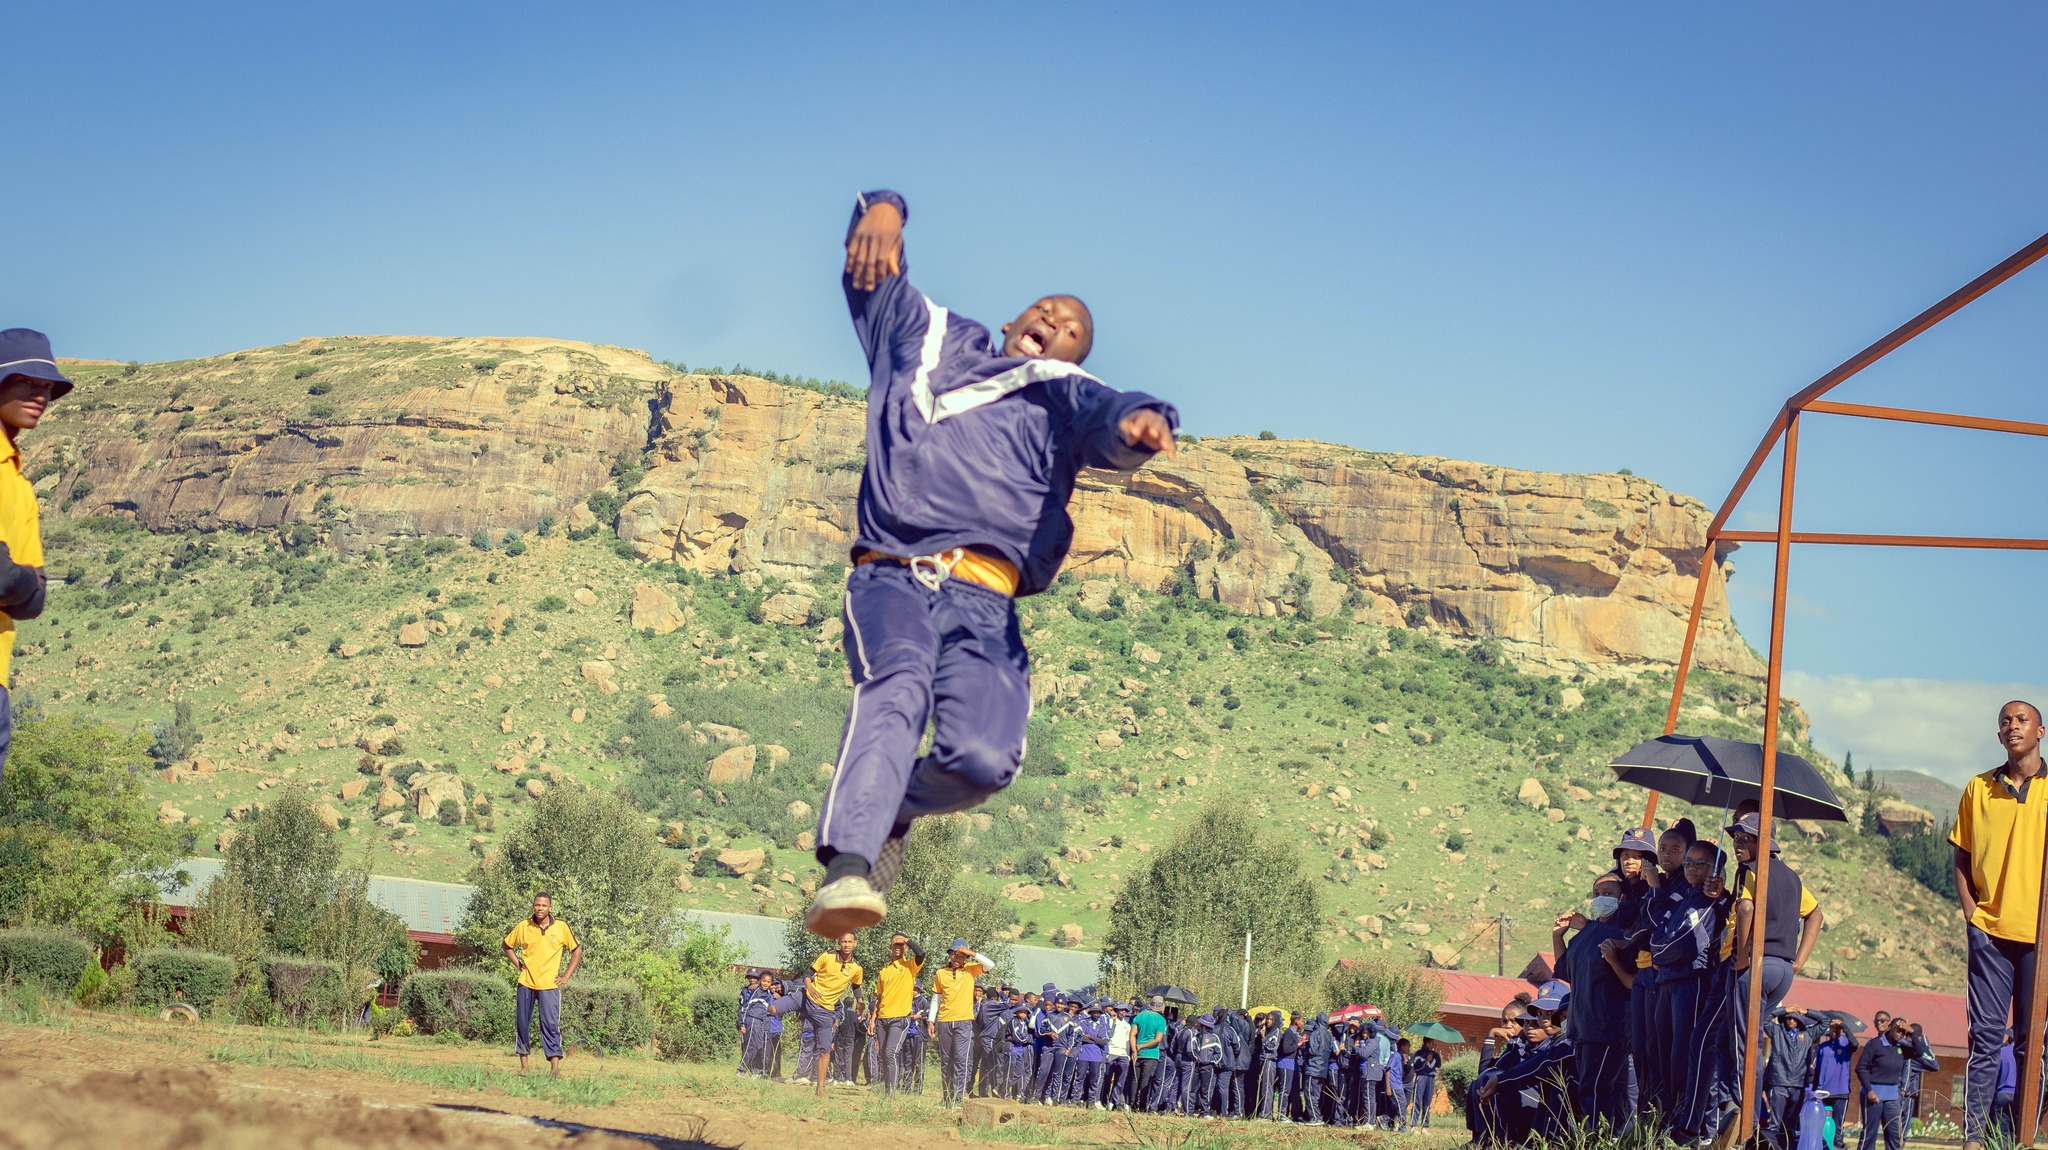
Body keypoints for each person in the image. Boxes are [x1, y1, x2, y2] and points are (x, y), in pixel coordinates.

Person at [806, 189, 1180, 937]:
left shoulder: (1070, 398)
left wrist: (1148, 423)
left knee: (981, 760)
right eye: (1045, 309)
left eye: (1073, 328)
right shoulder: (932, 337)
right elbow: (875, 274)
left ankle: (894, 811)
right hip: (896, 573)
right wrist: (882, 208)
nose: (1055, 323)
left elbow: (1114, 417)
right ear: (1013, 322)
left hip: (986, 603)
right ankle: (848, 865)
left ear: (1079, 354)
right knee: (898, 683)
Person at [1954, 701, 2048, 1150]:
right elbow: (1962, 856)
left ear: (2040, 732)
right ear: (1998, 737)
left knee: (2033, 1043)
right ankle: (1975, 1138)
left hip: (2041, 939)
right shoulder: (1978, 788)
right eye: (2005, 722)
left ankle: (2020, 1136)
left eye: (2021, 720)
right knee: (1985, 1039)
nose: (2012, 727)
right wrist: (1971, 912)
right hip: (1989, 932)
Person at [0, 330, 62, 790]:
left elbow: (34, 597)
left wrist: (13, 579)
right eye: (26, 381)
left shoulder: (18, 479)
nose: (39, 395)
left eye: (47, 387)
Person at [1654, 839, 1731, 1142]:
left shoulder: (1713, 900)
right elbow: (1658, 936)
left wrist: (1660, 952)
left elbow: (1685, 944)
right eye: (1687, 862)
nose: (1690, 868)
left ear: (1714, 869)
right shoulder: (1685, 898)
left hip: (1692, 981)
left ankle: (1699, 1129)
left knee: (1688, 1057)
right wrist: (1661, 951)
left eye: (1699, 863)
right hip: (1667, 983)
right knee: (1666, 1057)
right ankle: (1671, 1118)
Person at [1555, 872, 1633, 1134]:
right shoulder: (1586, 933)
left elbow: (1632, 982)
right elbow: (1565, 971)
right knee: (1587, 1087)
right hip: (1582, 1028)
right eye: (1597, 894)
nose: (1601, 899)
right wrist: (1558, 937)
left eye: (1609, 893)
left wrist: (1613, 959)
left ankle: (1599, 1140)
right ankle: (1597, 1139)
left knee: (1596, 1088)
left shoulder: (1625, 934)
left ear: (1622, 898)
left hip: (1609, 1028)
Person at [502, 893, 580, 1077]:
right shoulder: (523, 926)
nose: (540, 908)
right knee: (522, 1024)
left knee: (551, 1025)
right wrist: (518, 965)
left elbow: (577, 951)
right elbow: (506, 946)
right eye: (537, 905)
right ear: (533, 906)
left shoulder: (561, 927)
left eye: (544, 905)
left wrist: (566, 976)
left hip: (549, 986)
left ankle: (555, 1069)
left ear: (550, 907)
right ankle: (524, 1068)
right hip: (526, 983)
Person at [1856, 1015, 1938, 1150]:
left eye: (1903, 1032)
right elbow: (1861, 1067)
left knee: (1894, 1135)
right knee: (1870, 1133)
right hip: (1873, 1095)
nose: (1900, 1034)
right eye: (1897, 1030)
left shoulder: (1901, 1047)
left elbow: (1920, 1053)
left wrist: (1912, 1032)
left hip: (1892, 1097)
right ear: (1889, 1028)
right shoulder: (1875, 1044)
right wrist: (1869, 1090)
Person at [802, 932, 864, 1096]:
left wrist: (860, 1000)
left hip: (827, 1010)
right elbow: (807, 973)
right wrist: (810, 988)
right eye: (843, 941)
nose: (846, 944)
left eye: (850, 941)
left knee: (824, 1048)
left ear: (855, 944)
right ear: (839, 942)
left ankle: (820, 1087)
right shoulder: (827, 956)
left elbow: (856, 986)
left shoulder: (856, 967)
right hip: (808, 999)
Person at [932, 940, 989, 1105]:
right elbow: (936, 998)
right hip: (944, 1021)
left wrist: (972, 953)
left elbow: (990, 964)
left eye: (962, 955)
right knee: (946, 1060)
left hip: (964, 1021)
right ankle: (946, 1098)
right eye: (955, 954)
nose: (958, 958)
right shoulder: (941, 973)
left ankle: (957, 1098)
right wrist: (931, 1020)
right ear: (950, 954)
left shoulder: (971, 970)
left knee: (960, 1059)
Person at [1762, 1007, 1827, 1150]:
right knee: (1775, 1123)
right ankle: (1771, 1147)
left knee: (1791, 1124)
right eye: (1788, 1018)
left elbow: (1825, 1021)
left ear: (1799, 1020)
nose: (1791, 1020)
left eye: (1794, 1018)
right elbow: (1765, 1018)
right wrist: (1785, 1009)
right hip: (1779, 1082)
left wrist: (1806, 1012)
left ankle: (1787, 1147)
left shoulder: (1808, 1034)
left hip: (1799, 1084)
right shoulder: (1777, 1031)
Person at [869, 933, 924, 1094]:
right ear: (890, 947)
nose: (898, 946)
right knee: (883, 1056)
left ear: (906, 948)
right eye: (895, 944)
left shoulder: (910, 966)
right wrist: (873, 1020)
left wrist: (906, 940)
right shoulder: (884, 971)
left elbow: (921, 953)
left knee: (890, 1053)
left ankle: (890, 1094)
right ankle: (886, 1088)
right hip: (882, 1019)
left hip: (900, 1018)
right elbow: (879, 997)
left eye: (902, 945)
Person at [1813, 1014, 1861, 1150]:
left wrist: (1843, 1026)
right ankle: (1822, 1145)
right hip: (1822, 1092)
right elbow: (1817, 1071)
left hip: (1840, 1091)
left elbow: (1856, 1044)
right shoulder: (1822, 1047)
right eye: (1832, 1029)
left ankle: (1838, 1146)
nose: (1834, 1032)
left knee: (1837, 1125)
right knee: (1821, 1123)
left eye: (1837, 1029)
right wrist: (1815, 1090)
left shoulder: (1846, 1044)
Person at [1132, 996, 1168, 1111]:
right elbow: (1158, 1040)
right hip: (1151, 1054)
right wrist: (1143, 1046)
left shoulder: (1140, 1015)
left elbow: (1132, 1034)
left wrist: (1134, 1050)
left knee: (1135, 1079)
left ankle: (1132, 1104)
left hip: (1137, 1053)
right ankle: (1142, 1107)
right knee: (1145, 1080)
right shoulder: (1161, 1020)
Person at [1105, 1001, 1134, 1110]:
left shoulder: (1127, 1025)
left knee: (1120, 1080)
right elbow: (1108, 1034)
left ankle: (1113, 1101)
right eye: (1121, 1010)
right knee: (1107, 1078)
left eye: (1124, 1010)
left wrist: (1128, 1056)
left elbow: (1128, 1041)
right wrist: (1113, 1021)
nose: (1123, 1012)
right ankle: (1104, 1100)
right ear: (1115, 1010)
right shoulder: (1110, 1021)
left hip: (1123, 1054)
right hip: (1111, 1052)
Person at [1409, 1036, 1442, 1128]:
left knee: (1427, 1102)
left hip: (1430, 1078)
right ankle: (1413, 1124)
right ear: (1427, 1043)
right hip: (1422, 1077)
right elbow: (1416, 1068)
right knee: (1417, 1100)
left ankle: (1425, 1125)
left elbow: (1439, 1064)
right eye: (1432, 1043)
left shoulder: (1434, 1054)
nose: (1433, 1045)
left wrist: (1436, 1054)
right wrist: (1426, 1061)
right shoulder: (1419, 1054)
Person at [1388, 1037, 1411, 1132]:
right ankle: (1402, 1126)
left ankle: (1388, 1120)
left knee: (1401, 1104)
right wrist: (1388, 1087)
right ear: (1402, 1047)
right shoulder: (1395, 1056)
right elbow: (1388, 1070)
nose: (1409, 1049)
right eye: (1407, 1047)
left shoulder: (1401, 1057)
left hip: (1398, 1084)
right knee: (1401, 1104)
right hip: (1394, 1085)